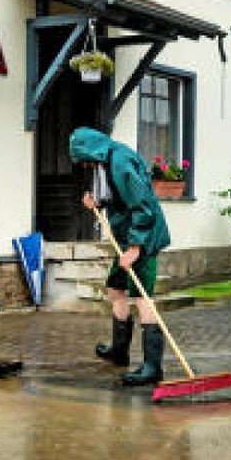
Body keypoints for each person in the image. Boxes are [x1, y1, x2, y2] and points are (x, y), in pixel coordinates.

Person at [69, 127, 171, 386]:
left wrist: (136, 248)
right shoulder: (107, 162)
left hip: (143, 238)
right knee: (115, 289)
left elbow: (143, 205)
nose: (86, 166)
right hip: (126, 237)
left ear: (91, 151)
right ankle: (119, 350)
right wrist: (96, 203)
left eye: (85, 160)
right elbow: (118, 198)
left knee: (142, 297)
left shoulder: (121, 162)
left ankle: (152, 367)